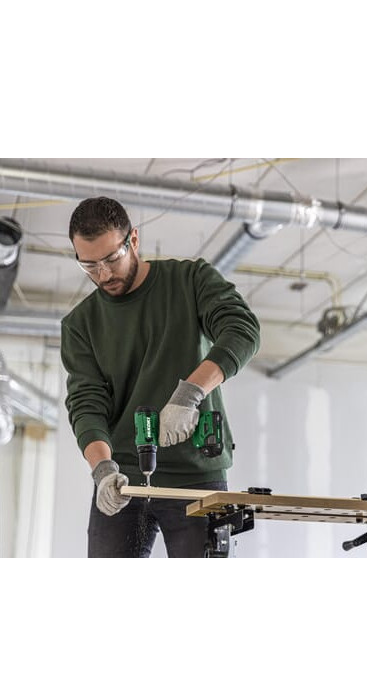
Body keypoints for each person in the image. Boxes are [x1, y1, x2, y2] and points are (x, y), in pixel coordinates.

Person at [60, 196, 261, 557]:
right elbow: (86, 403)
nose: (103, 275)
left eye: (111, 259)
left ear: (133, 240)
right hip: (123, 480)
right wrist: (102, 469)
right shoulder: (80, 325)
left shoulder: (190, 281)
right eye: (89, 265)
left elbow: (241, 330)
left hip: (195, 475)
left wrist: (190, 394)